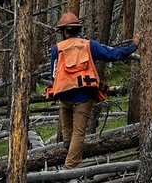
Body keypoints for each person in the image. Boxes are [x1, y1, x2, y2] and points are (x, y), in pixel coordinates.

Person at [47, 12, 138, 169]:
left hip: (64, 96)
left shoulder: (57, 49)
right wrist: (133, 46)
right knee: (79, 133)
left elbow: (54, 74)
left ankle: (68, 158)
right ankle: (70, 168)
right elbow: (112, 54)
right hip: (84, 96)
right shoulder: (89, 45)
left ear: (64, 31)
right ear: (77, 29)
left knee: (68, 131)